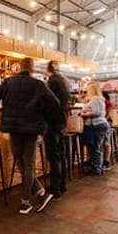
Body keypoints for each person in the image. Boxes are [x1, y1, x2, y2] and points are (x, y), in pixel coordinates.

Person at [0, 57, 60, 214]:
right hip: (31, 129)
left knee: (20, 161)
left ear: (19, 67)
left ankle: (29, 199)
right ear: (32, 69)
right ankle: (37, 194)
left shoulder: (8, 82)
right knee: (28, 164)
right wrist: (42, 115)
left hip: (14, 128)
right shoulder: (39, 84)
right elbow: (55, 103)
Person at [44, 60, 70, 202]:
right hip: (61, 120)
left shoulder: (53, 81)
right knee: (60, 154)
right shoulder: (64, 81)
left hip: (53, 121)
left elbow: (49, 102)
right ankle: (62, 185)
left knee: (54, 155)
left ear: (48, 69)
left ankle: (55, 189)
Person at [81, 82, 109, 175]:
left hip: (98, 124)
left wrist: (83, 114)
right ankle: (97, 167)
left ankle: (96, 169)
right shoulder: (99, 99)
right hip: (102, 124)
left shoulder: (95, 99)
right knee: (97, 147)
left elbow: (96, 112)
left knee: (96, 147)